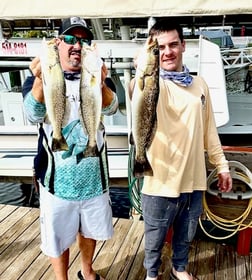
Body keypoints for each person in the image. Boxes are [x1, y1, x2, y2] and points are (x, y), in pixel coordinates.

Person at [131, 19, 232, 280]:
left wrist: (222, 166)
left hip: (193, 179)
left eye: (173, 44)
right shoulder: (152, 82)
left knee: (186, 233)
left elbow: (209, 131)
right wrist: (141, 66)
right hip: (158, 180)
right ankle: (151, 274)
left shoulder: (200, 85)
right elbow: (135, 89)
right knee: (153, 236)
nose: (167, 52)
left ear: (184, 45)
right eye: (160, 47)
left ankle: (179, 268)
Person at [23, 17, 118, 280]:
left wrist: (101, 83)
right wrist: (41, 80)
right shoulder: (38, 77)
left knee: (88, 230)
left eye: (83, 40)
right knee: (58, 236)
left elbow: (111, 108)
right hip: (56, 182)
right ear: (57, 44)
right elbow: (32, 115)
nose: (76, 45)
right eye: (69, 39)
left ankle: (87, 271)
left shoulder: (96, 75)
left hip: (94, 179)